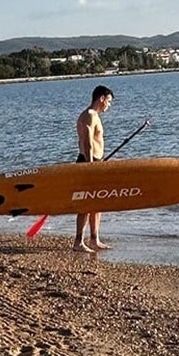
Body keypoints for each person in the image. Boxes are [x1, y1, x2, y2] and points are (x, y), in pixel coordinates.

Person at [73, 85, 113, 252]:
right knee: (86, 204)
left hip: (95, 162)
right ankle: (78, 242)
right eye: (108, 102)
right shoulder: (90, 115)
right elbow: (88, 143)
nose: (109, 106)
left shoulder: (91, 115)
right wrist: (91, 167)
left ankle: (94, 239)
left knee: (97, 203)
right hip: (88, 163)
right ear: (101, 98)